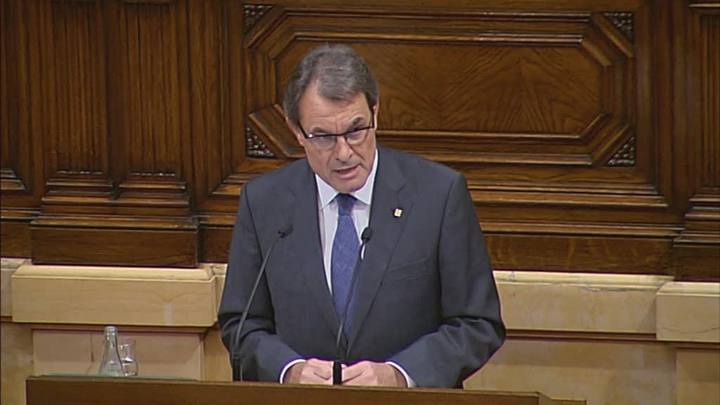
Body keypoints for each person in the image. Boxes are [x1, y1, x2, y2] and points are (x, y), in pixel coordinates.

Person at [218, 44, 504, 388]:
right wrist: (288, 369)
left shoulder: (438, 195)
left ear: (375, 114)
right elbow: (241, 324)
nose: (344, 153)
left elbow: (477, 323)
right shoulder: (265, 202)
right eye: (324, 137)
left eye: (356, 130)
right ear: (296, 131)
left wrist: (399, 374)